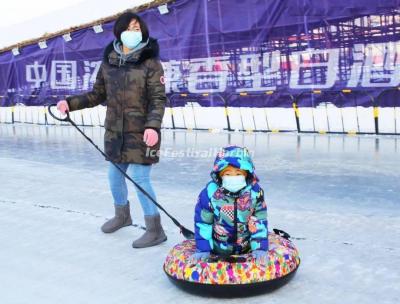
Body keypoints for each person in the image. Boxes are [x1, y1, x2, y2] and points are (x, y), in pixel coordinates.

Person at [56, 11, 167, 248]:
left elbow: (158, 99)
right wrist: (70, 104)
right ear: (119, 32)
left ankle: (155, 229)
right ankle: (122, 215)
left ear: (143, 32)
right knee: (114, 175)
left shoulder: (151, 62)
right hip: (115, 132)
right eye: (129, 28)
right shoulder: (109, 62)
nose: (133, 33)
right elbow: (97, 94)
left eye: (137, 28)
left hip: (142, 132)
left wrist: (153, 127)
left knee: (139, 177)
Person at [192, 146, 269, 263]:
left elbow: (260, 220)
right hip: (218, 249)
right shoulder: (209, 194)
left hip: (246, 247)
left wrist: (259, 247)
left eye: (238, 174)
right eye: (227, 174)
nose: (233, 178)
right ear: (220, 175)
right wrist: (203, 249)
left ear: (247, 174)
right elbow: (203, 223)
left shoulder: (254, 193)